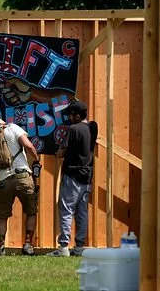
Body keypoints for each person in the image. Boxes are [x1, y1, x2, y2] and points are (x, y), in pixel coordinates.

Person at [0, 110, 41, 256]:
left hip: (4, 180)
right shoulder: (12, 128)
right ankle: (28, 245)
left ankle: (1, 247)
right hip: (23, 176)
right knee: (31, 211)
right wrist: (36, 161)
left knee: (2, 216)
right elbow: (29, 146)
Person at [47, 100, 97, 257]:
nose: (69, 117)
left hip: (73, 174)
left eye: (70, 114)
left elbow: (62, 152)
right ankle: (79, 246)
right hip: (87, 175)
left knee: (66, 209)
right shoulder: (92, 128)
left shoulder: (73, 129)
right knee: (82, 212)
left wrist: (59, 152)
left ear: (76, 115)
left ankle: (63, 247)